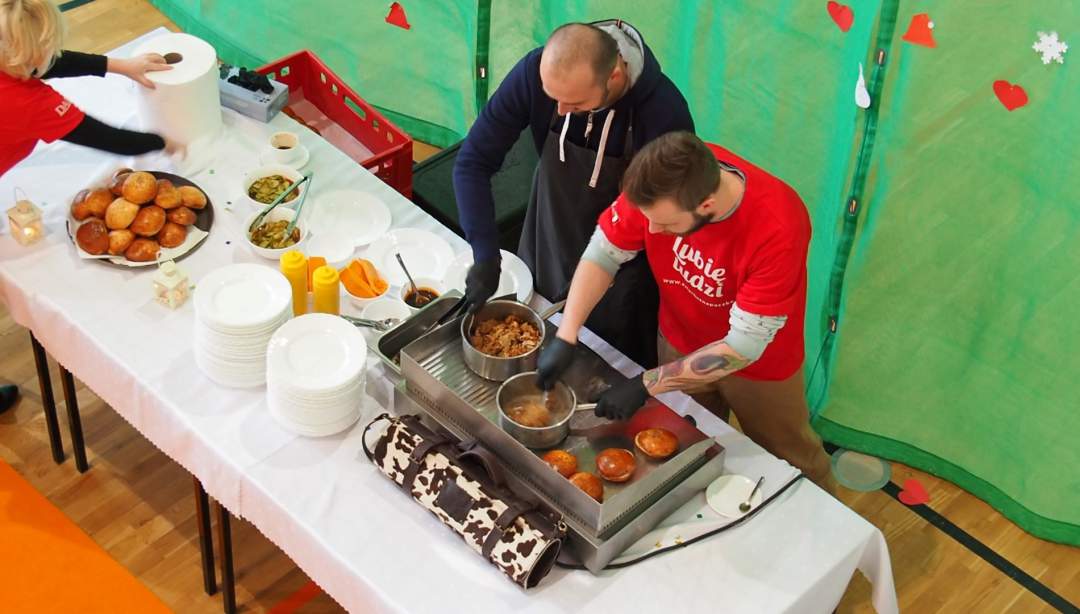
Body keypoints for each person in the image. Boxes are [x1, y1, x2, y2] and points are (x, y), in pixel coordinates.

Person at [537, 132, 833, 489]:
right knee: (685, 445)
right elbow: (605, 253)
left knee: (793, 455)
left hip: (759, 367)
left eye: (665, 224)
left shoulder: (778, 224)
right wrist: (567, 335)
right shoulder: (657, 181)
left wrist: (646, 384)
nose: (650, 231)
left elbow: (742, 347)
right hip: (678, 337)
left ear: (706, 206)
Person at [453, 20, 694, 368]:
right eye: (555, 100)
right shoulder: (537, 73)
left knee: (599, 369)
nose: (562, 111)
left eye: (576, 103)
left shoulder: (664, 115)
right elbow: (473, 162)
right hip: (546, 237)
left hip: (622, 276)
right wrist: (486, 254)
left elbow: (663, 226)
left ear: (614, 76)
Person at [0, 0, 178, 178]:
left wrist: (123, 66)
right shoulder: (30, 103)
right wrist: (163, 143)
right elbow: (113, 140)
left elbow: (48, 64)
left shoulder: (10, 59)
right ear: (36, 55)